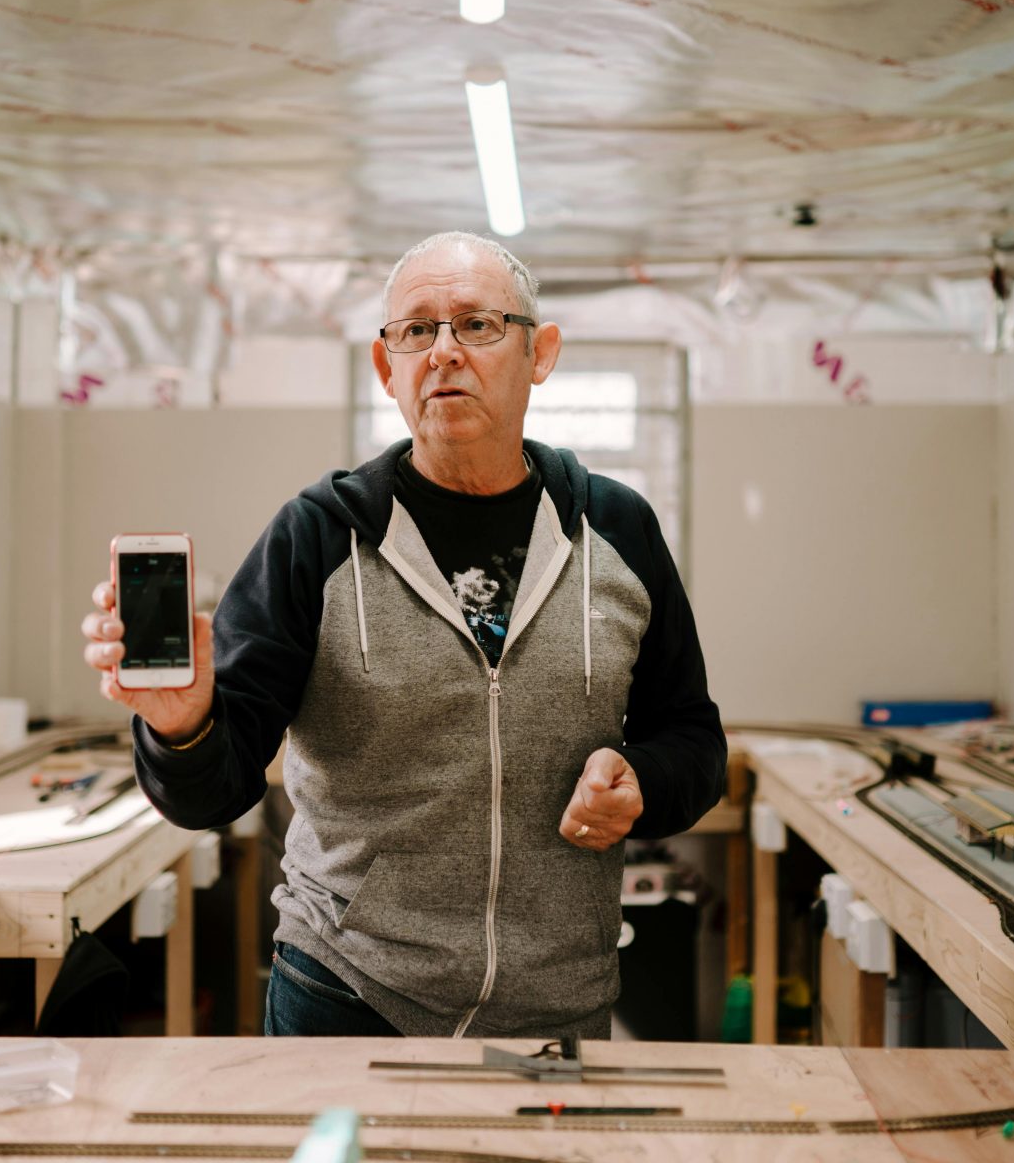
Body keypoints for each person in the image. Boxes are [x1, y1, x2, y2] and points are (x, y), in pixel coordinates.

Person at [81, 230, 725, 1039]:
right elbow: (213, 789)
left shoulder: (618, 529)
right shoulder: (316, 538)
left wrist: (645, 778)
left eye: (478, 325)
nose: (444, 351)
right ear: (388, 369)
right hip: (349, 999)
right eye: (416, 330)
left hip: (559, 1003)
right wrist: (180, 721)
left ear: (540, 353)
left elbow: (696, 742)